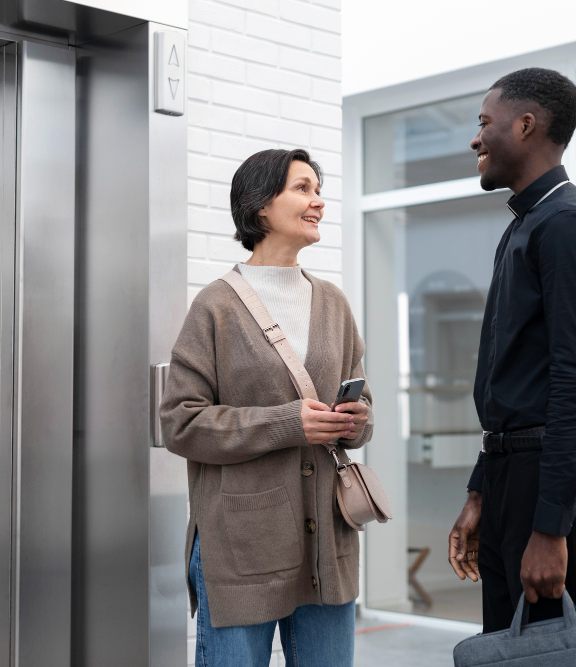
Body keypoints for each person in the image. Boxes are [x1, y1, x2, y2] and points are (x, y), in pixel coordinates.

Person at [160, 149, 372, 666]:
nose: (318, 201)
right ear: (259, 207)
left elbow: (360, 402)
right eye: (302, 188)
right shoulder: (216, 305)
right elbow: (180, 422)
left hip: (327, 542)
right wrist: (288, 422)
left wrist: (357, 421)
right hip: (241, 546)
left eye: (318, 190)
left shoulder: (333, 303)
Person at [447, 68, 576, 632]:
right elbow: (517, 381)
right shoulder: (528, 223)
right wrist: (484, 485)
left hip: (551, 477)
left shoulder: (568, 224)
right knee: (509, 648)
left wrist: (550, 527)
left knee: (556, 651)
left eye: (484, 123)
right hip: (513, 472)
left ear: (525, 126)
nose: (476, 139)